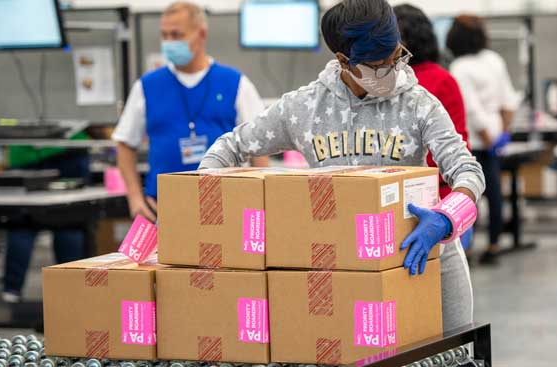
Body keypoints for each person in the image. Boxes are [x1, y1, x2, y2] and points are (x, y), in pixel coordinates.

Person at [199, 0, 485, 332]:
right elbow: (230, 146)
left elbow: (468, 170)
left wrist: (447, 217)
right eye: (379, 66)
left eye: (397, 58)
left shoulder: (419, 105)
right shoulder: (304, 109)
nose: (392, 72)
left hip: (423, 261)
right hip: (344, 276)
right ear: (344, 61)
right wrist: (204, 203)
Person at [113, 1, 268, 223]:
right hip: (162, 209)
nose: (169, 42)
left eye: (176, 35)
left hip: (226, 206)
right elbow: (124, 143)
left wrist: (258, 204)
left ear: (201, 34)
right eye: (164, 35)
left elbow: (258, 146)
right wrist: (135, 198)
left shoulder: (235, 83)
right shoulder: (147, 86)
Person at [394, 4, 474, 250]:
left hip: (435, 200)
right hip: (429, 198)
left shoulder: (423, 84)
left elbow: (453, 150)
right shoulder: (438, 79)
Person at [447, 15, 518, 264]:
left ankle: (465, 248)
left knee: (469, 192)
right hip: (496, 137)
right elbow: (508, 100)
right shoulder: (494, 60)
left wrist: (487, 138)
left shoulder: (459, 67)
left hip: (476, 142)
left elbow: (472, 110)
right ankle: (494, 244)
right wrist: (502, 134)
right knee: (495, 193)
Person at [3, 146, 89, 303]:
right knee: (68, 221)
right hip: (64, 150)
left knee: (22, 226)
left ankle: (11, 292)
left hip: (26, 151)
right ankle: (73, 295)